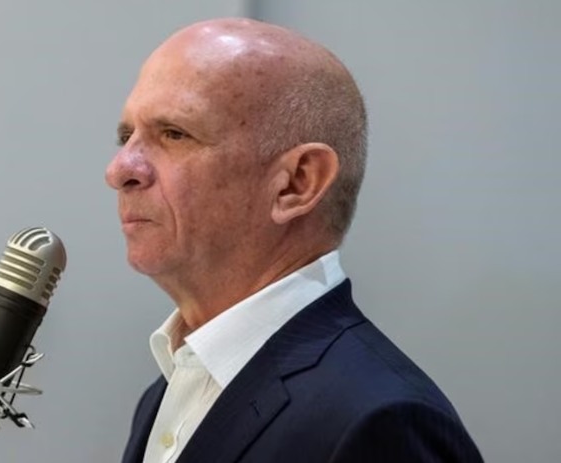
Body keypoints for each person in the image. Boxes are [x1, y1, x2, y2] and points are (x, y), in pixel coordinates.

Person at [105, 17, 482, 463]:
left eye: (174, 134)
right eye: (126, 136)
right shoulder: (170, 388)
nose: (119, 170)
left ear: (297, 183)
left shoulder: (381, 420)